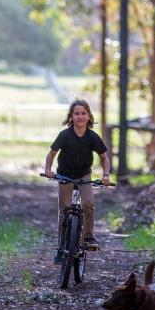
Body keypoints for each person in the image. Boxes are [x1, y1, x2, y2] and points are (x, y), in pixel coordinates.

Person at [44, 98, 110, 263]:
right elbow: (51, 154)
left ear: (89, 116)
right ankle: (61, 248)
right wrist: (48, 171)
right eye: (76, 114)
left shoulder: (92, 137)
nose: (80, 116)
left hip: (83, 176)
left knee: (88, 204)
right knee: (64, 212)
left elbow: (104, 158)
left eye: (83, 113)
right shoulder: (64, 135)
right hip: (65, 176)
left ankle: (88, 237)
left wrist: (106, 175)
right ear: (71, 116)